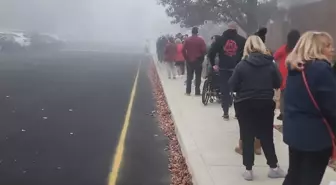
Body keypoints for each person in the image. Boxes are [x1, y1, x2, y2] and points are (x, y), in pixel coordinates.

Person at [282, 31, 336, 185]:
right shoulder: (321, 69)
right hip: (315, 136)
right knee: (309, 178)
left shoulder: (296, 68)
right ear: (316, 48)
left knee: (294, 175)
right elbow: (331, 107)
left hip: (295, 132)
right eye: (327, 46)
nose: (332, 49)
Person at [229, 35, 285, 181]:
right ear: (262, 46)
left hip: (245, 104)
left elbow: (232, 85)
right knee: (266, 136)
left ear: (247, 47)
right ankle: (273, 168)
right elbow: (278, 82)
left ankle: (248, 170)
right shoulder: (270, 64)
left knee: (247, 135)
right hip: (265, 103)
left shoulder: (242, 65)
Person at [208, 22, 246, 120]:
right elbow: (246, 54)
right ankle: (238, 113)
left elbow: (211, 53)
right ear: (236, 29)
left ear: (228, 28)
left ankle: (225, 112)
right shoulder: (242, 40)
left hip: (223, 68)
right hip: (237, 68)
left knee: (224, 91)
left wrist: (214, 65)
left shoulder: (220, 40)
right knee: (238, 91)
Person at [273, 30, 301, 120]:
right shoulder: (300, 49)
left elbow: (274, 57)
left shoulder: (285, 48)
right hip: (297, 72)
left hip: (284, 73)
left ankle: (282, 112)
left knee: (283, 95)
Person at [182, 27, 206, 95]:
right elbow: (204, 50)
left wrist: (186, 57)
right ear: (197, 32)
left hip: (189, 60)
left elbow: (183, 50)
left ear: (192, 32)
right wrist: (202, 57)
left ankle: (188, 91)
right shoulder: (201, 40)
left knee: (189, 76)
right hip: (198, 60)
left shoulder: (187, 40)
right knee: (198, 76)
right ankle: (197, 91)